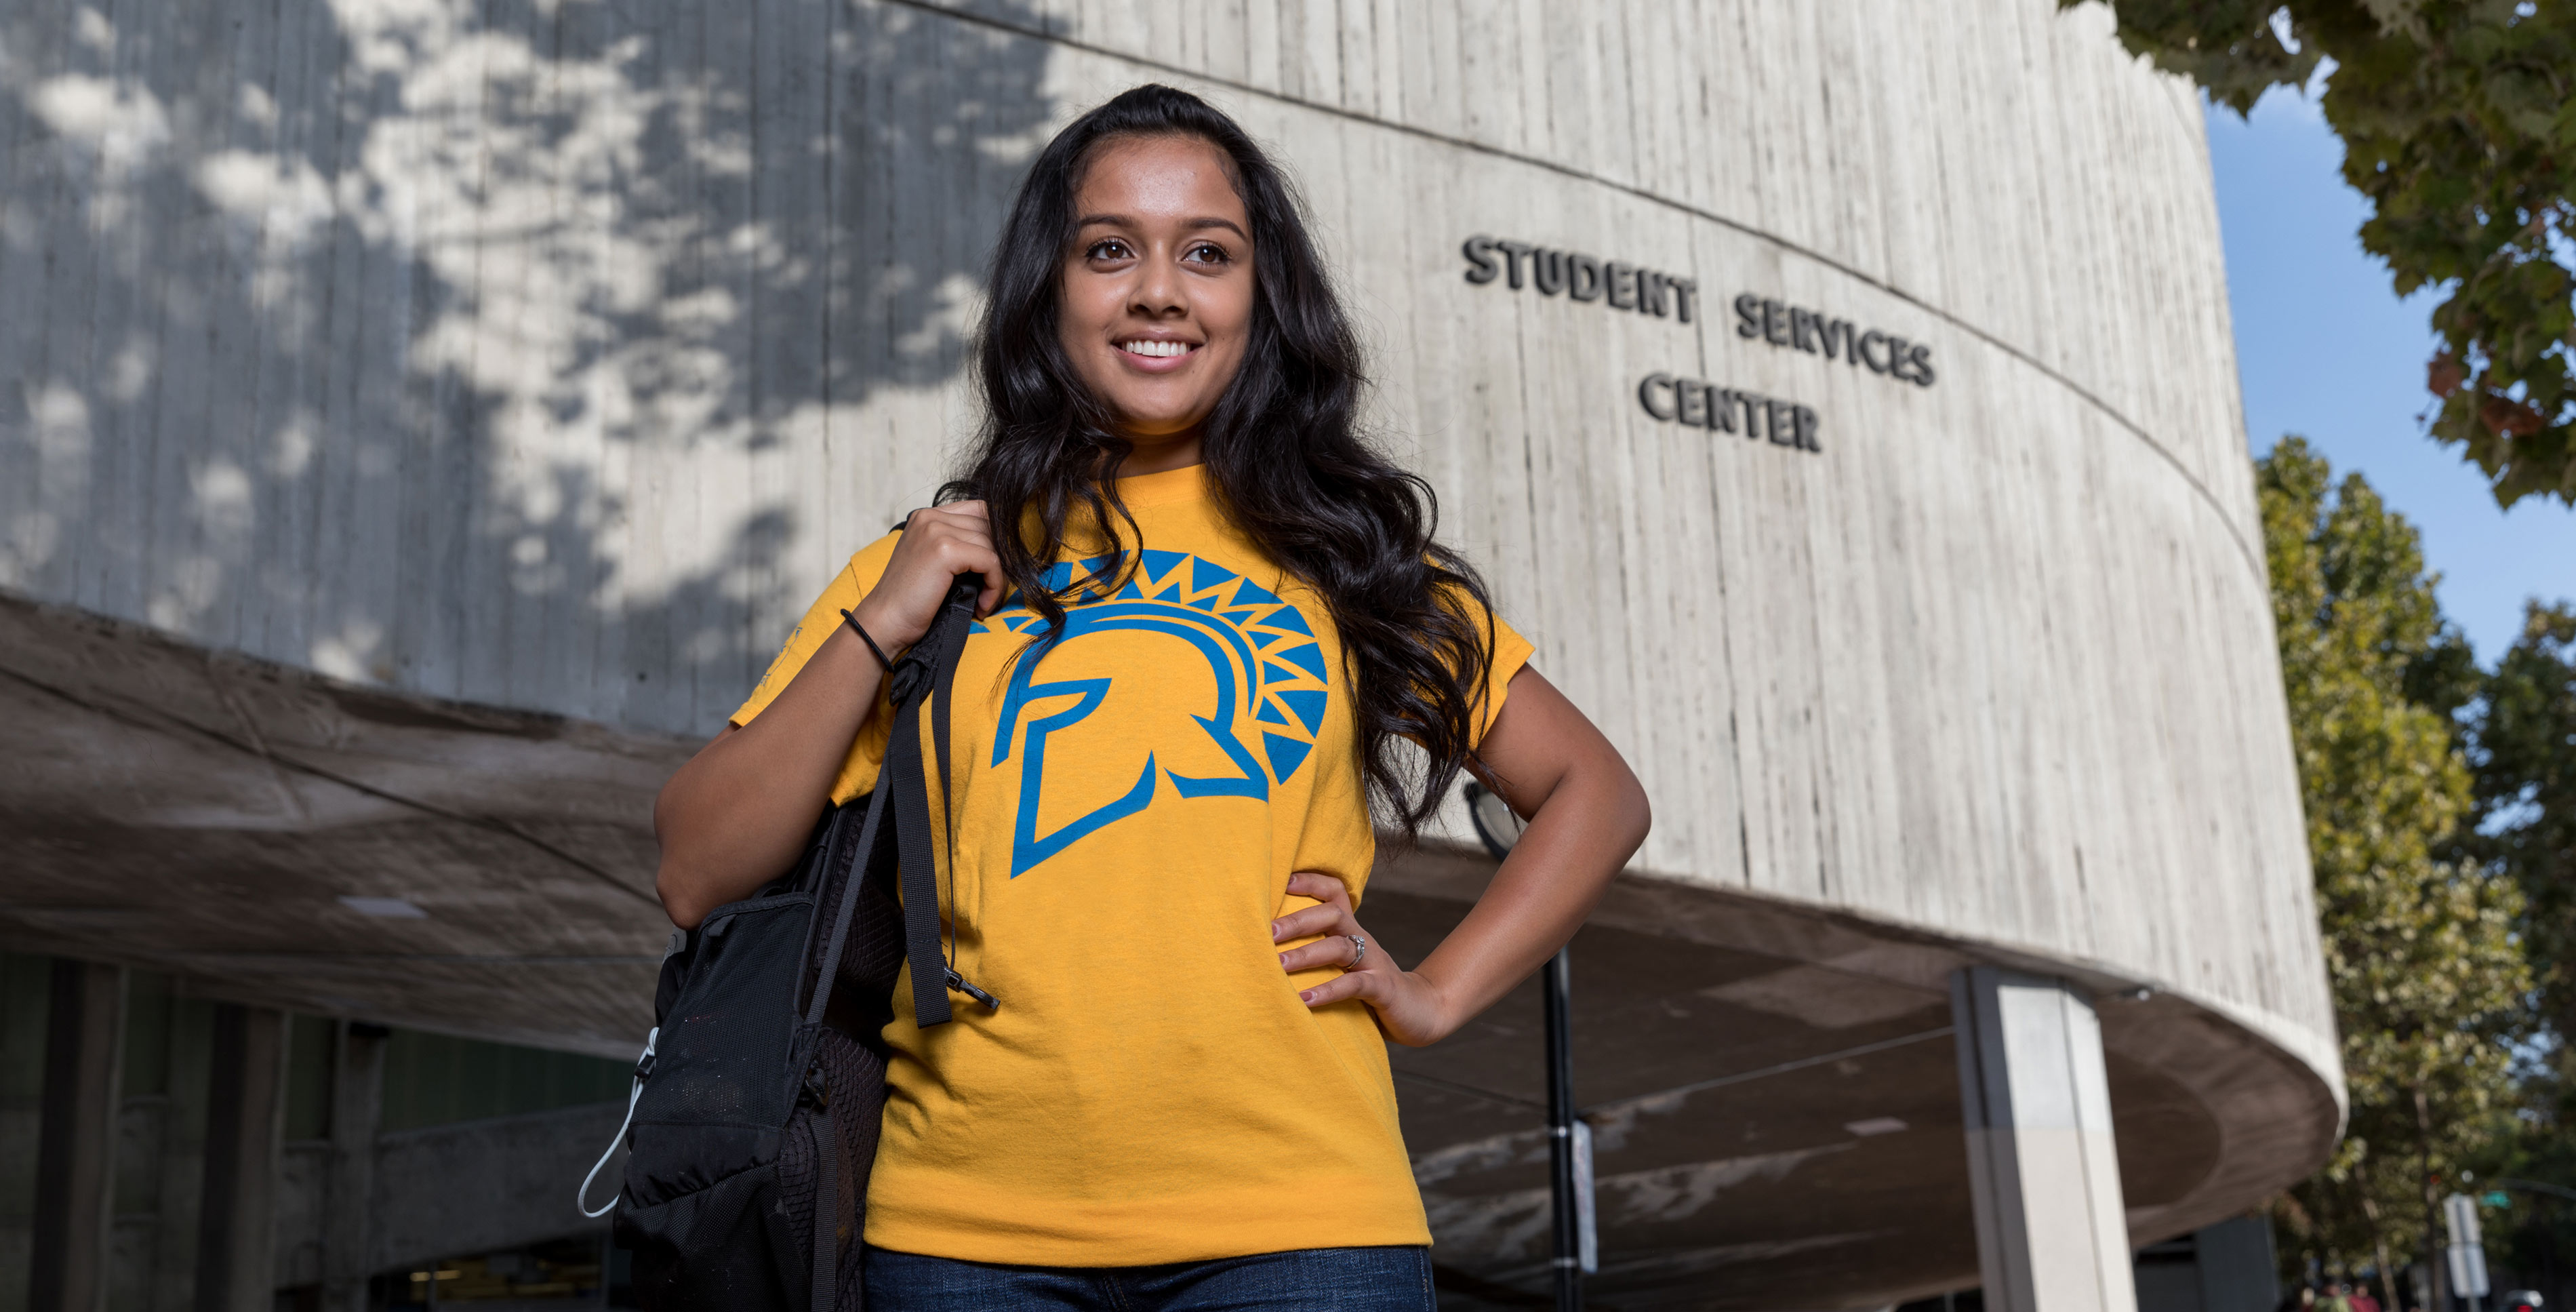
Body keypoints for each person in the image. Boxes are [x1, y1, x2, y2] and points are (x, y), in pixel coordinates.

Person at [650, 83, 1651, 1312]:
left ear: (1260, 302)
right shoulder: (941, 563)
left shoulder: (1345, 556)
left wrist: (1431, 996)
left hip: (1303, 1229)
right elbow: (696, 869)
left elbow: (1595, 794)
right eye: (1109, 249)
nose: (1159, 290)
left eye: (1208, 255)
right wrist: (884, 617)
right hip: (969, 1236)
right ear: (1050, 292)